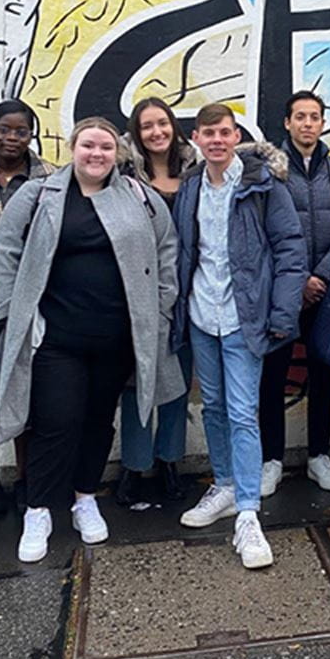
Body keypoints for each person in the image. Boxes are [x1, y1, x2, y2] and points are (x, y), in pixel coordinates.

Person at [0, 117, 182, 564]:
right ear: (73, 147)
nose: (96, 154)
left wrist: (159, 309)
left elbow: (166, 252)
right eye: (88, 145)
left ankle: (85, 499)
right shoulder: (39, 195)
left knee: (96, 421)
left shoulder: (139, 197)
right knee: (56, 423)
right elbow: (4, 252)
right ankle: (39, 510)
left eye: (105, 147)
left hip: (116, 337)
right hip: (55, 339)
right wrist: (16, 312)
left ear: (117, 153)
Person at [171, 104, 306, 570]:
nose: (216, 140)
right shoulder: (190, 188)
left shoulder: (262, 185)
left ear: (236, 136)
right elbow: (186, 251)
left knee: (243, 411)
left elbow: (291, 249)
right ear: (196, 138)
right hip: (201, 315)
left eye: (224, 133)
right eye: (208, 133)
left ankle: (248, 513)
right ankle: (225, 485)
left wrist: (283, 310)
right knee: (212, 405)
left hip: (246, 317)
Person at [261, 90, 330, 495]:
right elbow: (261, 229)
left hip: (325, 290)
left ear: (323, 123)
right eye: (299, 116)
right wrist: (296, 279)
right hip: (283, 290)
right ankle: (271, 459)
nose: (307, 124)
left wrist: (320, 275)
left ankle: (319, 455)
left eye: (314, 117)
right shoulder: (269, 170)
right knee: (273, 374)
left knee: (322, 373)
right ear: (287, 123)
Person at [0, 99, 56, 516]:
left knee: (25, 391)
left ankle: (25, 478)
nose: (11, 138)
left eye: (21, 131)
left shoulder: (49, 178)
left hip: (29, 301)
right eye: (4, 129)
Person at [114, 97, 198, 509]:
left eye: (162, 123)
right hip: (139, 295)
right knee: (137, 383)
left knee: (176, 382)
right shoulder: (123, 176)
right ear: (137, 132)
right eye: (147, 126)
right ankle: (134, 462)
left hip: (188, 292)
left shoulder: (195, 172)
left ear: (173, 126)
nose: (156, 132)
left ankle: (168, 460)